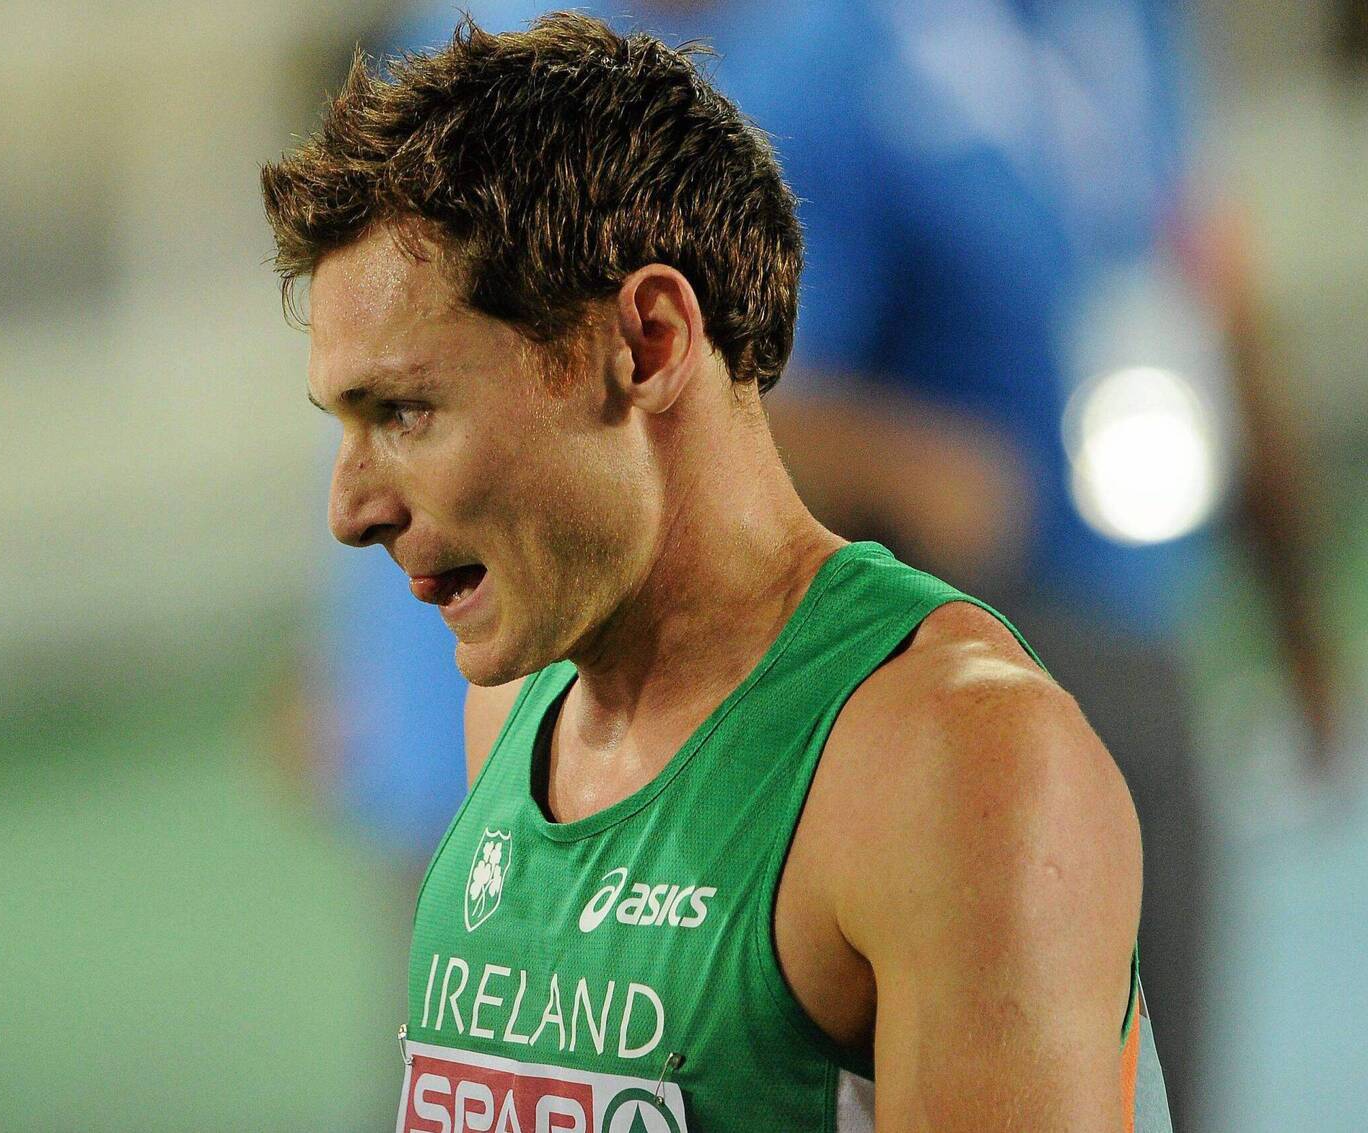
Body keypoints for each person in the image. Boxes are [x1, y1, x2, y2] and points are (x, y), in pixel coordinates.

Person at [262, 14, 1173, 1129]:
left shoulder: (954, 764)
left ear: (647, 342)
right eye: (346, 423)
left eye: (406, 411)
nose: (348, 510)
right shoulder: (512, 710)